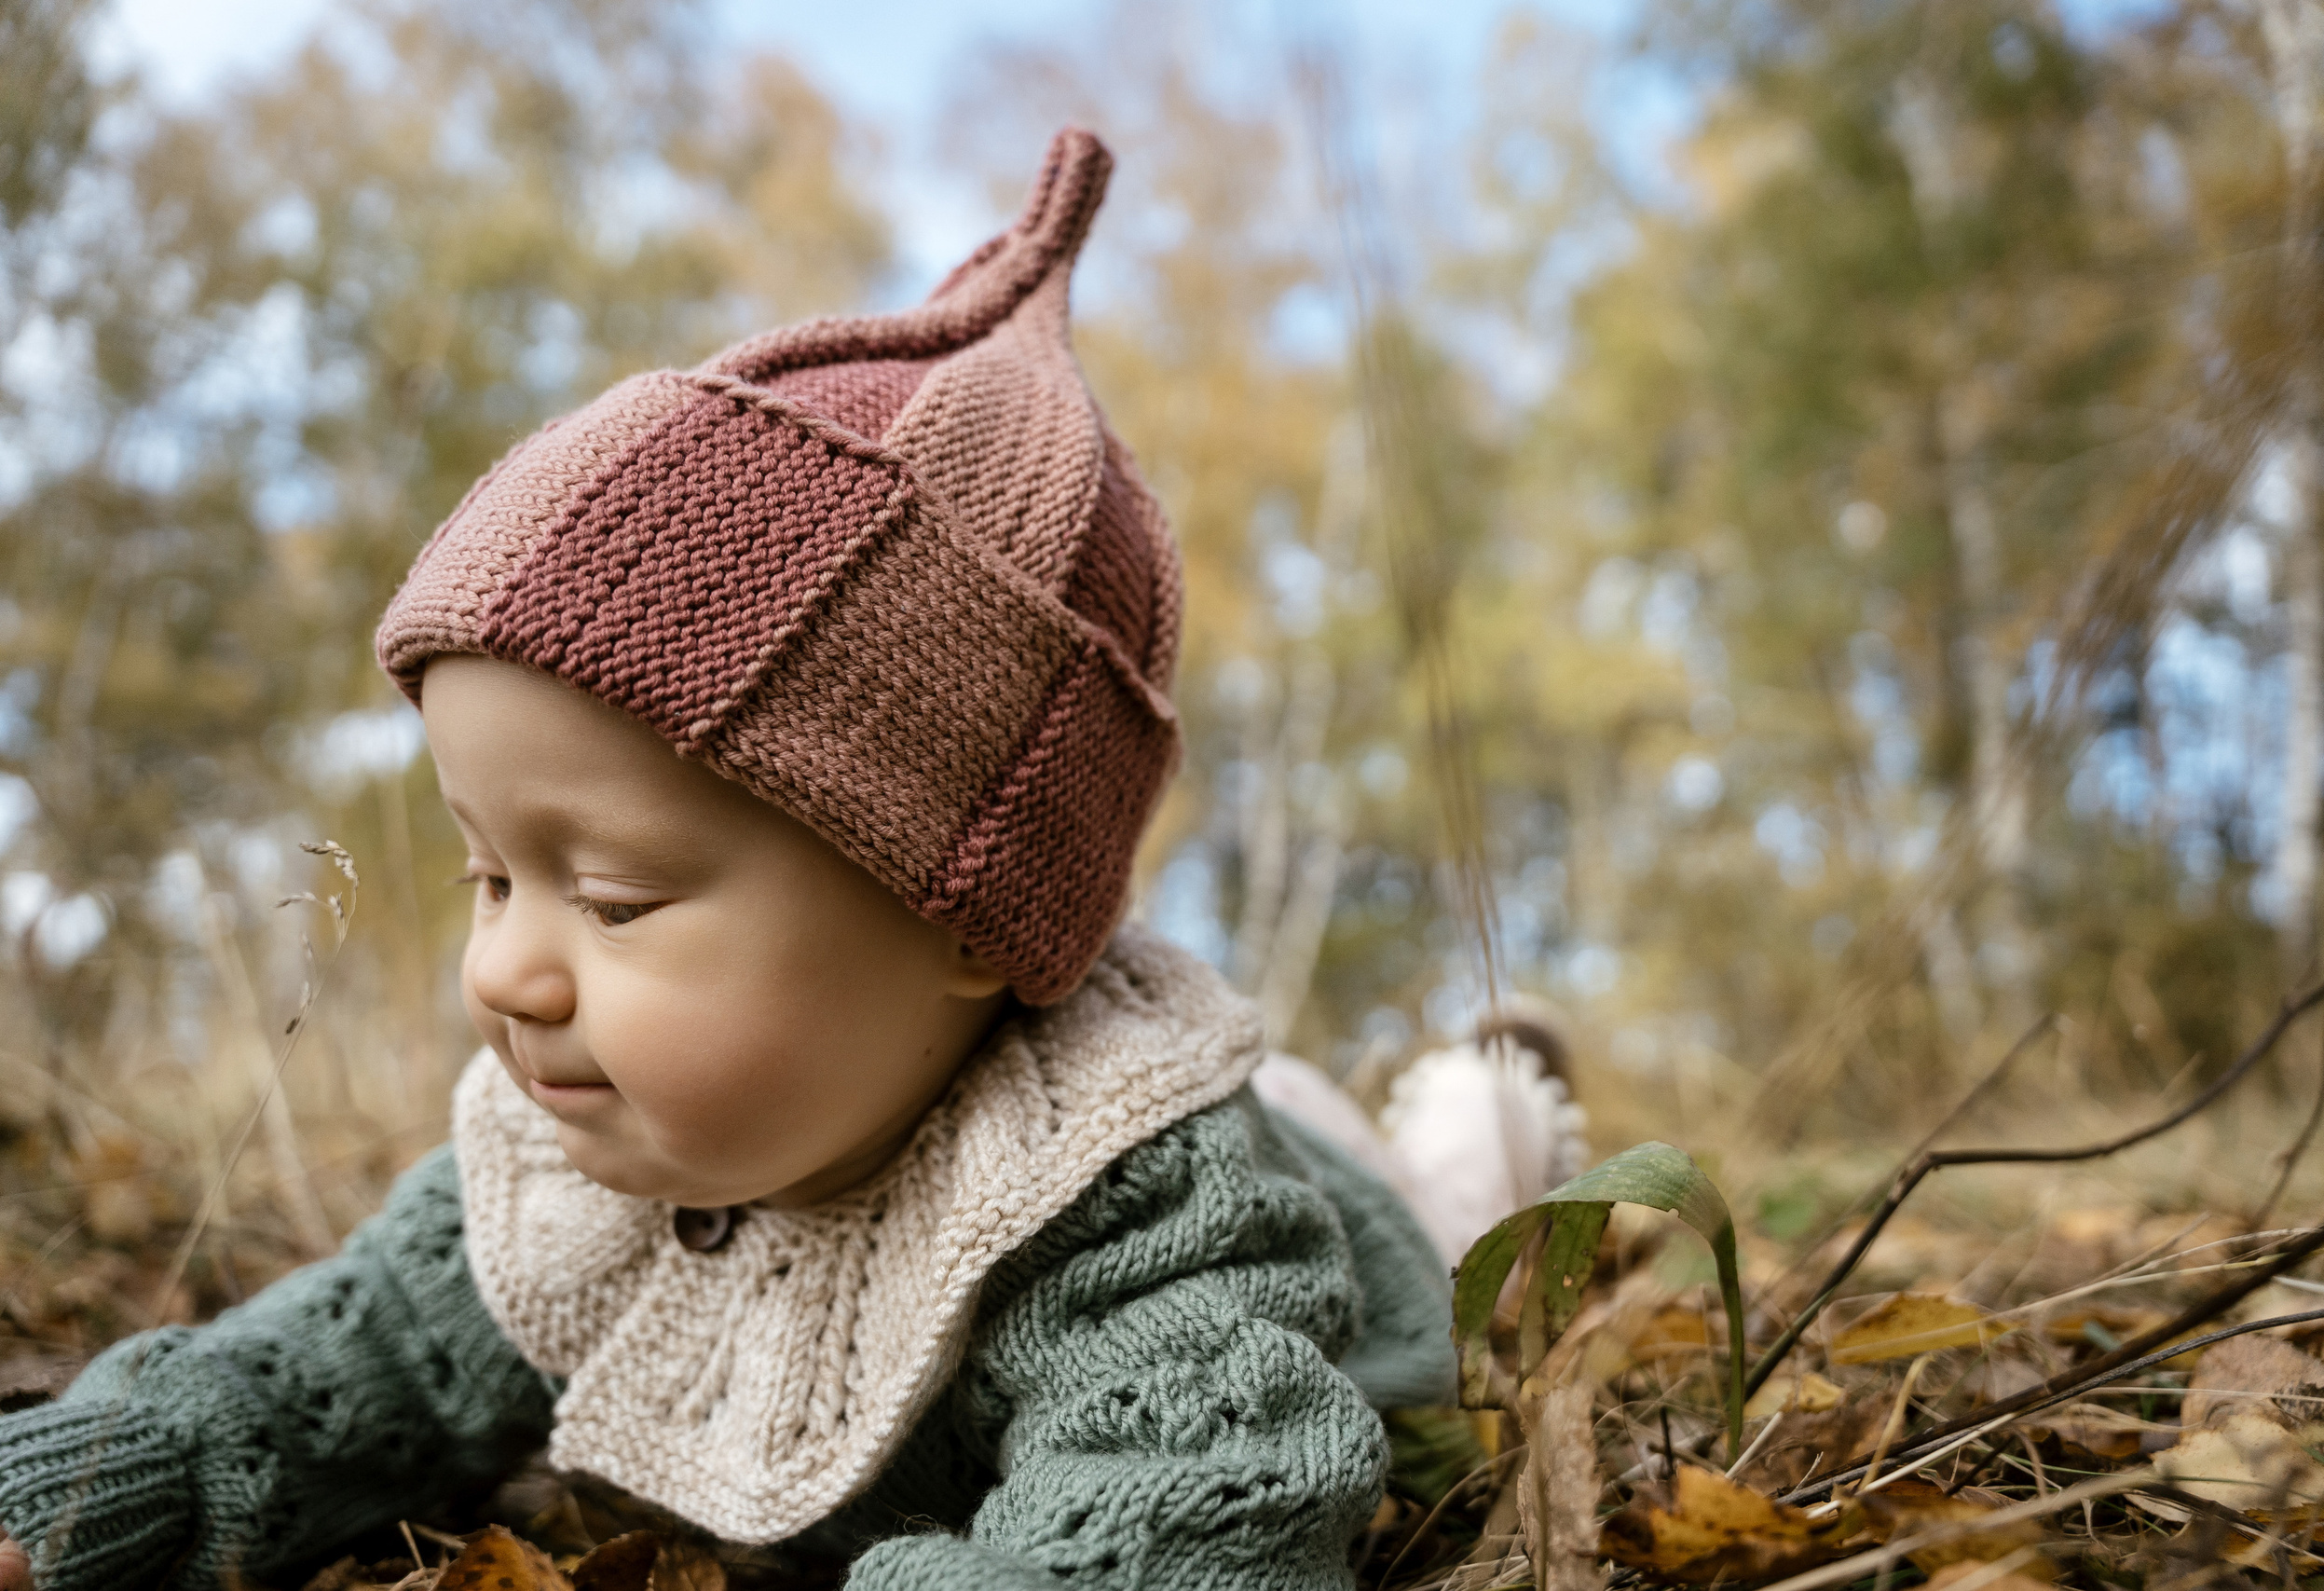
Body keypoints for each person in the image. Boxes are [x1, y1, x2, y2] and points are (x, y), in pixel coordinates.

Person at [0, 129, 1455, 1591]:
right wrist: (70, 1500)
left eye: (615, 898)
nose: (503, 967)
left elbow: (1180, 1522)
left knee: (1452, 1191)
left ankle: (1475, 1117)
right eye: (489, 877)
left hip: (1322, 1179)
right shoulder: (569, 1175)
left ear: (968, 919)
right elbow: (323, 1381)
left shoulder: (1145, 1215)